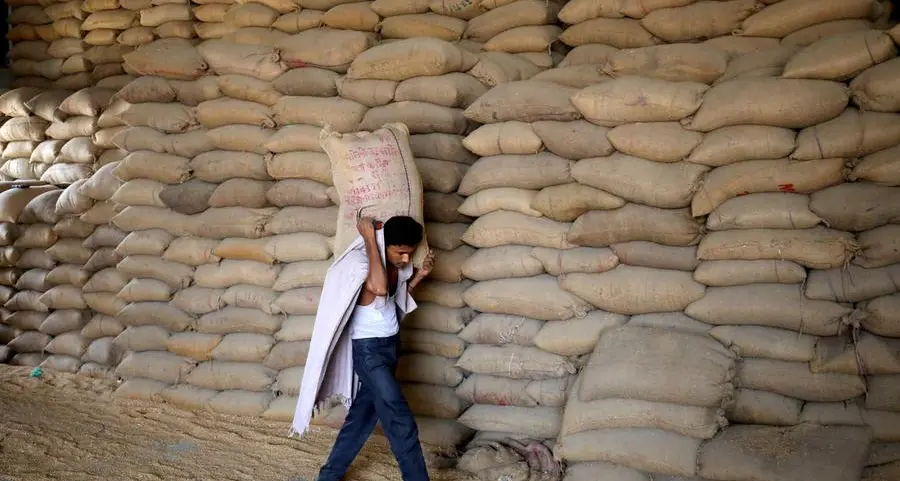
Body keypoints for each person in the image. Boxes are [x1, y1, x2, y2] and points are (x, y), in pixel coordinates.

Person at [316, 214, 434, 481]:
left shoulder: (394, 269)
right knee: (400, 419)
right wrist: (371, 238)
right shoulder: (365, 265)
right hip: (369, 354)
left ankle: (329, 475)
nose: (406, 259)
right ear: (385, 245)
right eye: (400, 252)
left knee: (360, 419)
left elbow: (394, 302)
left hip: (390, 348)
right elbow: (379, 289)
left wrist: (419, 278)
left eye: (410, 254)